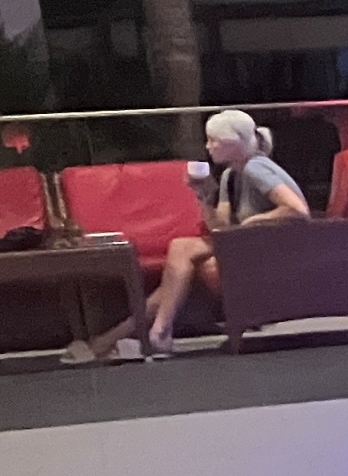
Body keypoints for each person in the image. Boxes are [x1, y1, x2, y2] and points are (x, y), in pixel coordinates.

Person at [70, 109, 307, 363]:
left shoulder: (256, 167)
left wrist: (253, 221)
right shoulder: (230, 176)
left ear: (234, 142)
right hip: (246, 245)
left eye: (214, 140)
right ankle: (135, 335)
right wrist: (203, 197)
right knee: (179, 273)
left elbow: (298, 209)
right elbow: (220, 229)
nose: (208, 146)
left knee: (181, 249)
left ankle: (145, 335)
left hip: (278, 249)